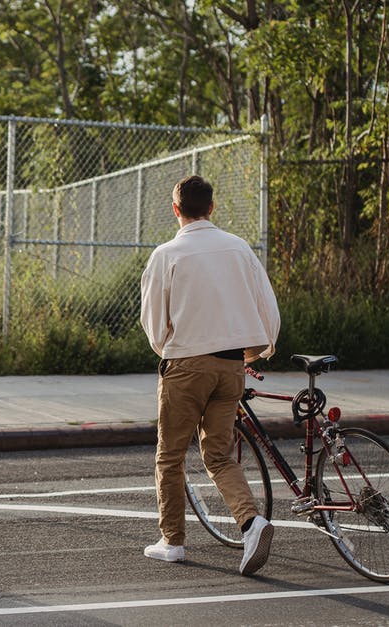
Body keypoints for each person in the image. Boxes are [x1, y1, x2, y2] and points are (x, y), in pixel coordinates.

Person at [139, 175, 280, 575]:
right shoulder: (239, 249)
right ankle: (252, 524)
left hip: (186, 365)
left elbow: (154, 324)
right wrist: (255, 352)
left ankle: (173, 541)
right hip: (231, 365)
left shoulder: (166, 255)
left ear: (175, 209)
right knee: (219, 454)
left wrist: (172, 350)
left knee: (170, 455)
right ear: (212, 208)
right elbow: (267, 310)